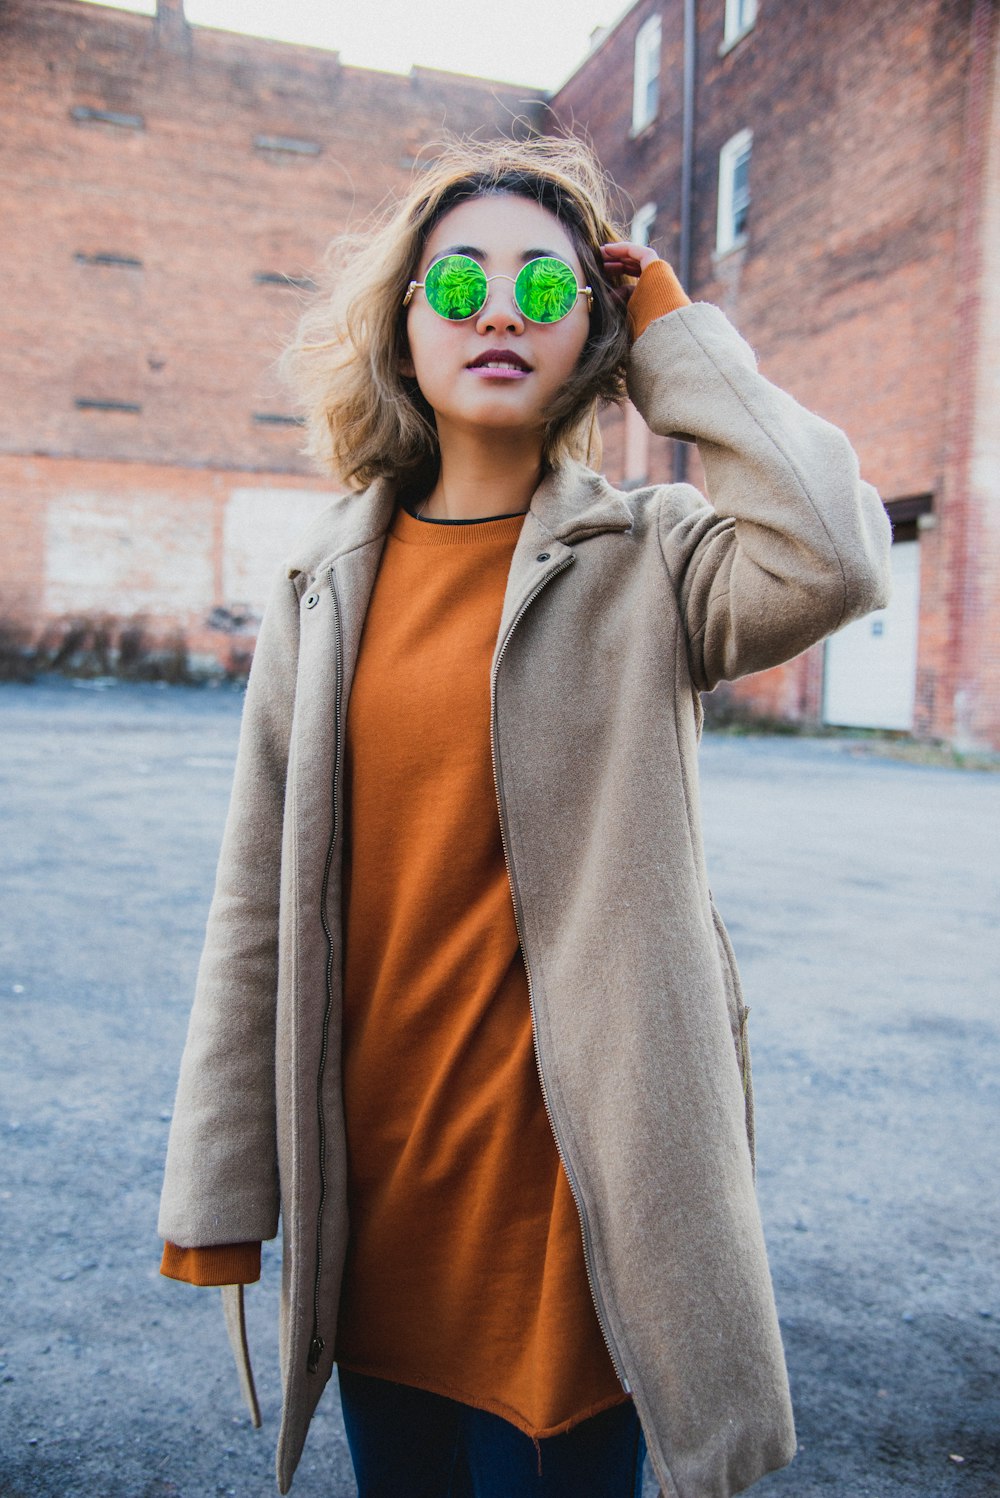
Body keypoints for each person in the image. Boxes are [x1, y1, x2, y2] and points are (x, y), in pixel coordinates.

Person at [158, 135, 891, 1498]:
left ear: (593, 339)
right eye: (463, 283)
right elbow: (253, 892)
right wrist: (218, 1180)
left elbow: (834, 549)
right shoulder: (322, 579)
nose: (503, 312)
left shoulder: (656, 558)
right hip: (377, 1207)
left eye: (549, 292)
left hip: (574, 1211)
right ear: (405, 323)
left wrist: (676, 333)